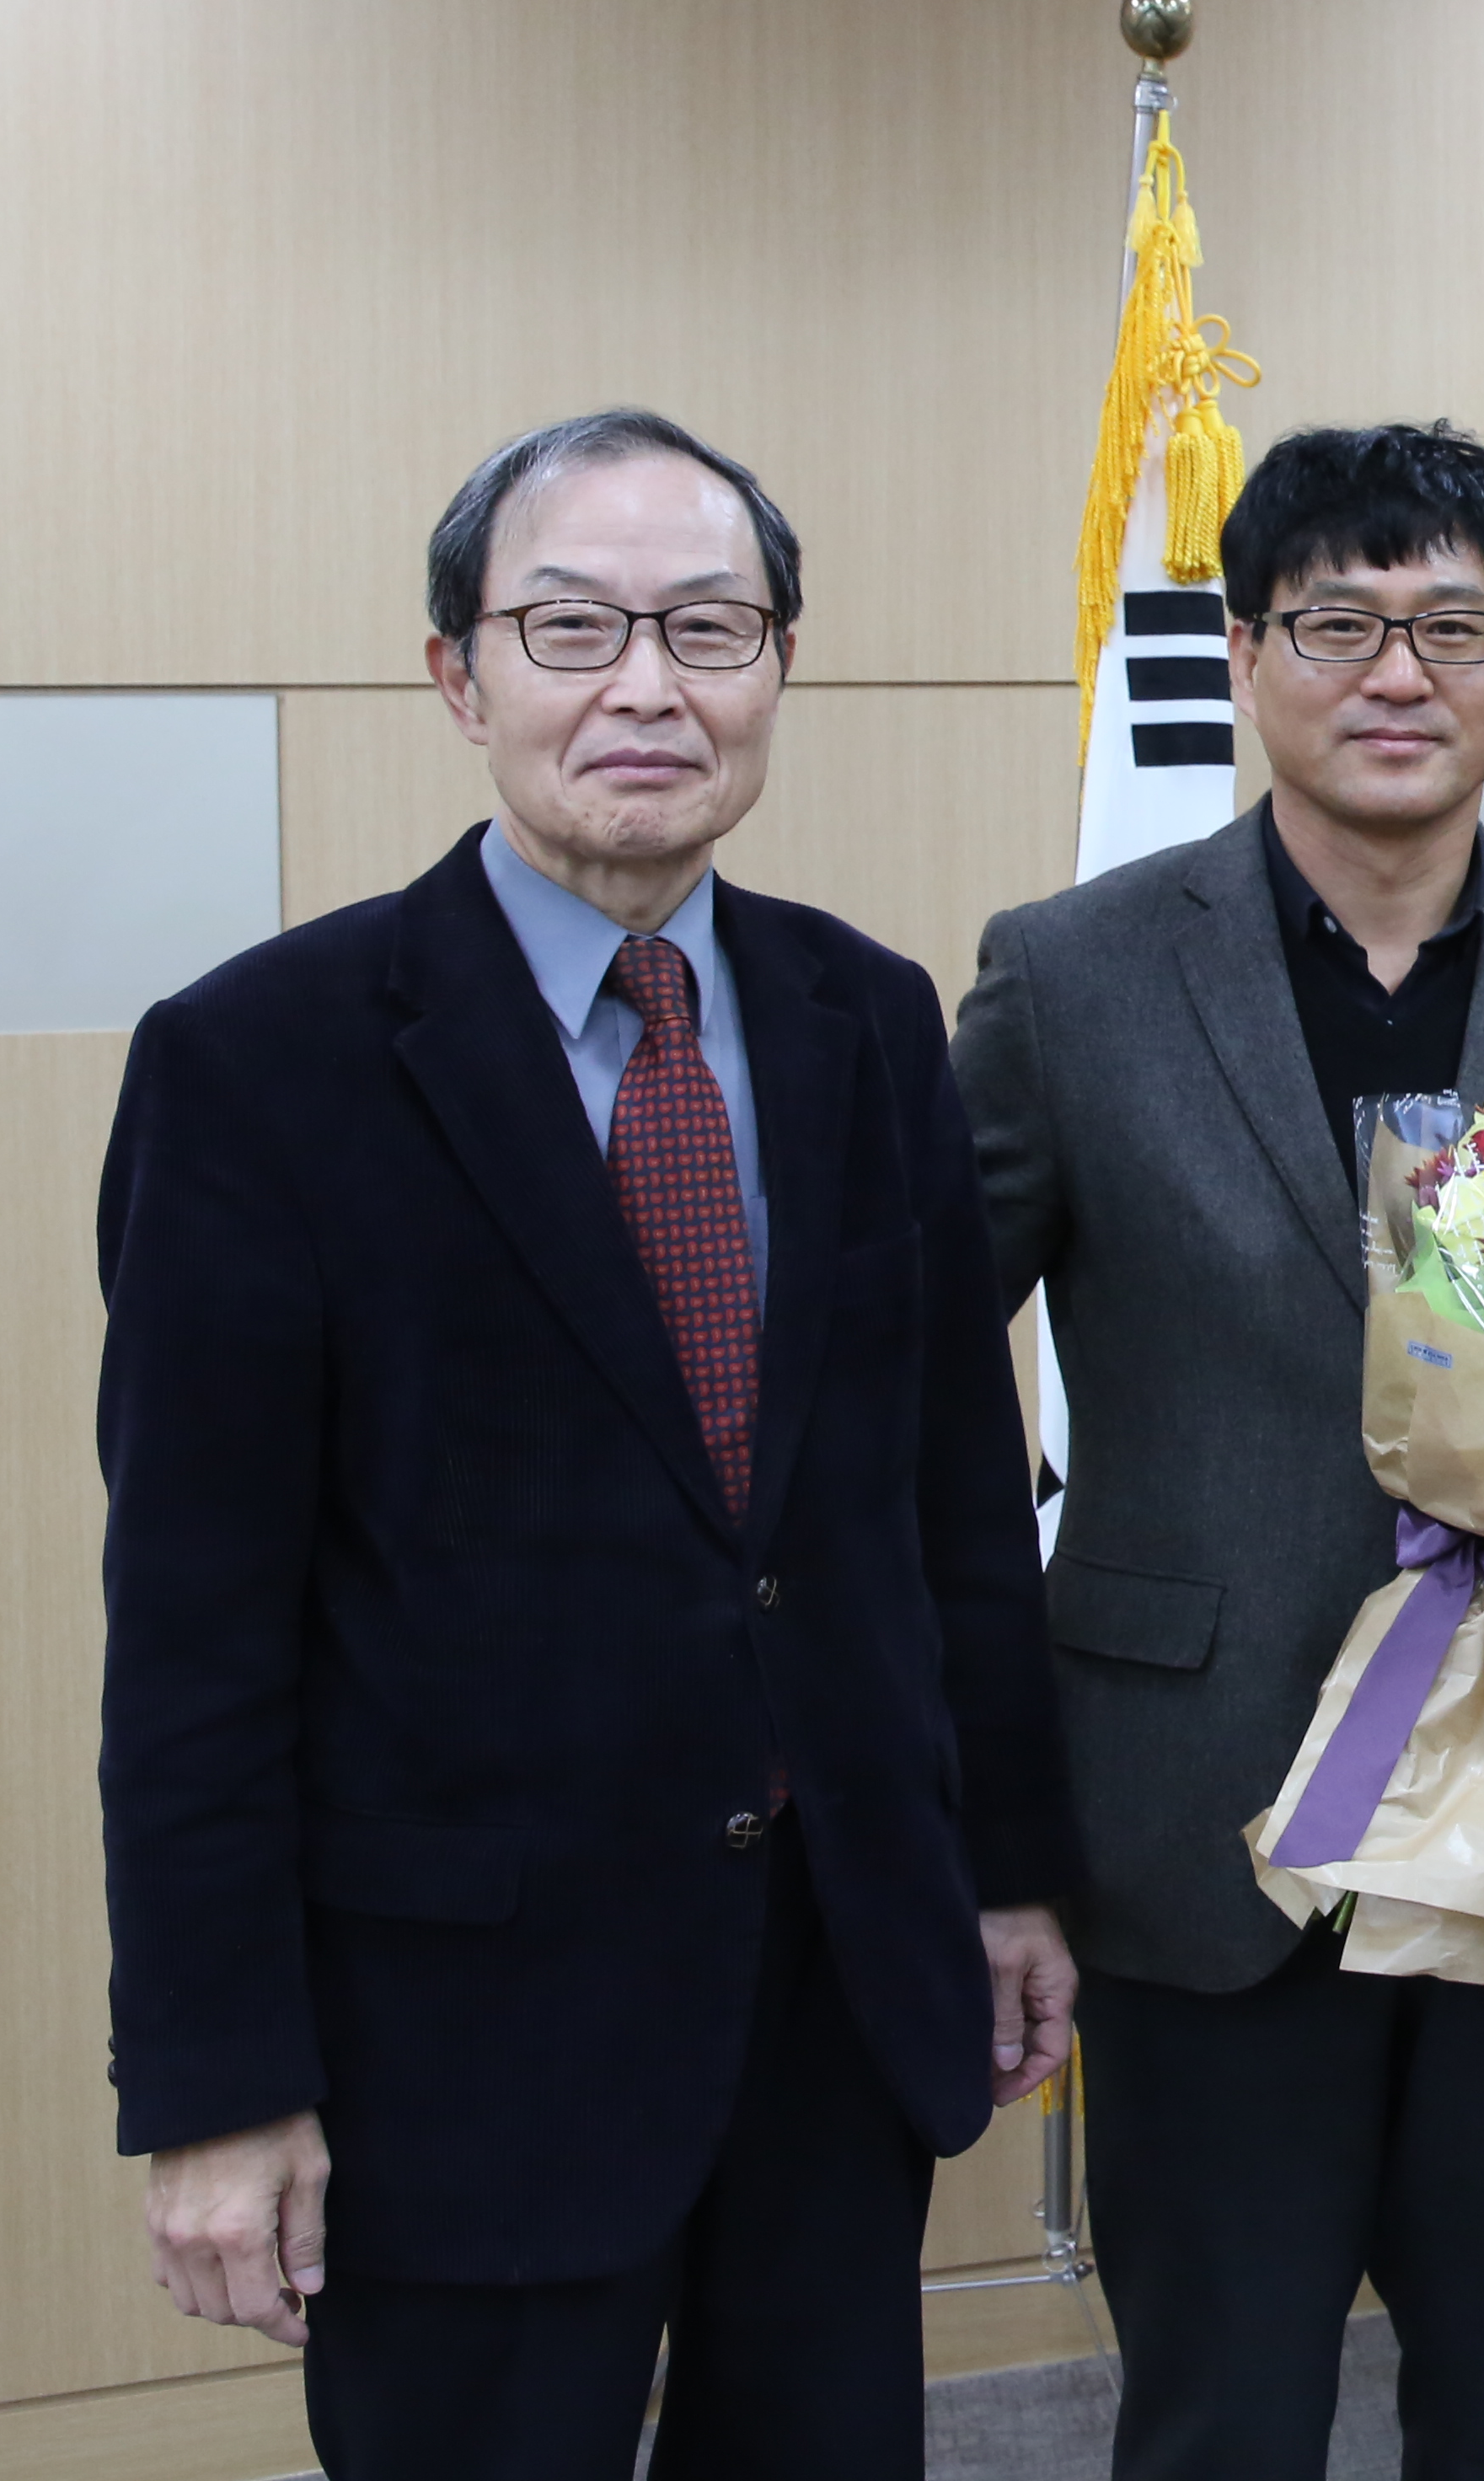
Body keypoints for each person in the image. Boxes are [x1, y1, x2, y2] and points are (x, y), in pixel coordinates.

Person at [101, 409, 1079, 2480]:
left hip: (832, 1987)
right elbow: (194, 1631)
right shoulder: (261, 1064)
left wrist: (1002, 1874)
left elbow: (952, 1509)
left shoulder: (863, 1014)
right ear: (460, 677)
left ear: (777, 670)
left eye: (709, 627)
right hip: (461, 2033)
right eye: (573, 627)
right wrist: (217, 2078)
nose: (649, 684)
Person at [950, 421, 1484, 2481]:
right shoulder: (1077, 976)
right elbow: (910, 1374)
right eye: (1336, 620)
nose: (1396, 672)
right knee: (1218, 2414)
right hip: (1198, 1828)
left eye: (1455, 626)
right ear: (1243, 650)